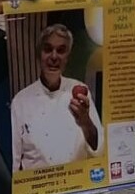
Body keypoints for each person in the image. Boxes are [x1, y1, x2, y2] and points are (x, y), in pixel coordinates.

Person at [10, 24, 102, 171]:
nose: (54, 56)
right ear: (39, 54)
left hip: (76, 183)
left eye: (61, 51)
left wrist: (85, 121)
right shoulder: (20, 101)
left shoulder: (79, 90)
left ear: (68, 57)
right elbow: (14, 161)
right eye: (48, 49)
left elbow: (98, 147)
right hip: (38, 187)